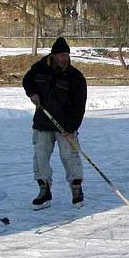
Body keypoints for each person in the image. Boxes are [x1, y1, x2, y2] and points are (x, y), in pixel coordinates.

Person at [23, 37, 87, 209]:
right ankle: (44, 191)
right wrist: (32, 93)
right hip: (43, 123)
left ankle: (76, 188)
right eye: (61, 55)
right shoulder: (39, 69)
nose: (64, 58)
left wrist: (71, 127)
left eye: (66, 55)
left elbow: (80, 106)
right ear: (53, 55)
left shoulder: (75, 77)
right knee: (40, 157)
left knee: (69, 156)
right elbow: (27, 80)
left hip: (65, 125)